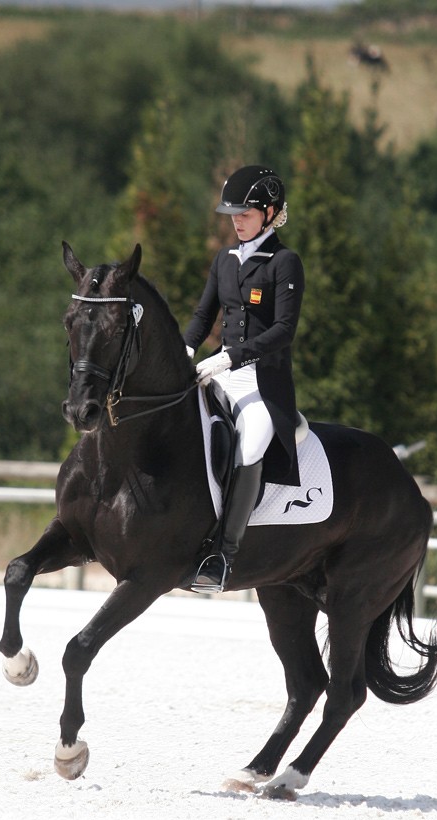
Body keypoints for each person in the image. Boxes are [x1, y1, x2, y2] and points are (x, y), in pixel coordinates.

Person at [184, 164, 305, 592]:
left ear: (270, 213)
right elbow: (203, 315)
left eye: (246, 213)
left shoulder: (284, 263)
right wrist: (186, 350)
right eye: (232, 213)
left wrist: (231, 356)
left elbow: (282, 331)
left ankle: (223, 555)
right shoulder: (225, 259)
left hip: (261, 380)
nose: (236, 220)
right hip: (219, 370)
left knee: (252, 441)